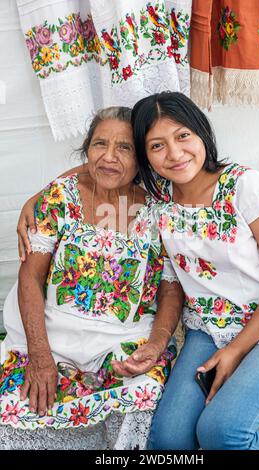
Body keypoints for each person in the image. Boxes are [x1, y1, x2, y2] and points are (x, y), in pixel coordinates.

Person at [17, 93, 259, 450]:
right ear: (146, 156)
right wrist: (38, 197)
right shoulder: (160, 197)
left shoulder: (244, 186)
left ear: (202, 133)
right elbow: (104, 163)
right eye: (156, 145)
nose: (175, 153)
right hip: (207, 331)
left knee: (221, 432)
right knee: (168, 439)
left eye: (183, 136)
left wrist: (238, 350)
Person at [0, 106, 183, 450]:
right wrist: (40, 355)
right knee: (16, 410)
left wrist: (157, 344)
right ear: (87, 151)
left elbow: (170, 291)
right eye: (100, 144)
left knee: (139, 404)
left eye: (125, 147)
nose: (110, 157)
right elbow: (30, 278)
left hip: (123, 338)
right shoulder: (61, 198)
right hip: (49, 336)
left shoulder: (160, 207)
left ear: (142, 157)